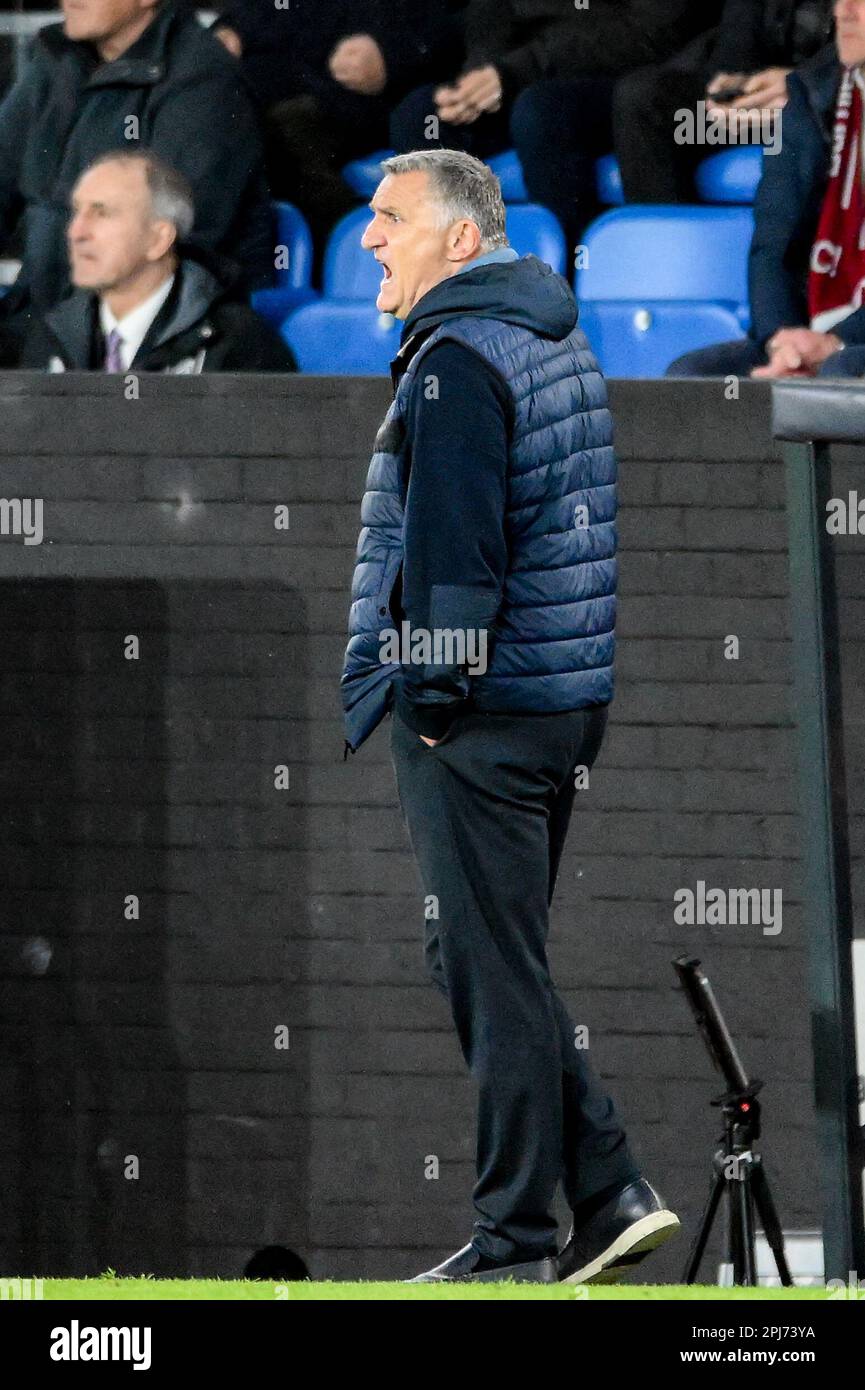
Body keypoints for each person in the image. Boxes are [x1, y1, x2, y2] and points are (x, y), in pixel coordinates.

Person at [340, 148, 680, 1284]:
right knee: (489, 956)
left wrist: (430, 701)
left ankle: (515, 1242)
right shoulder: (546, 333)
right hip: (556, 702)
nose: (368, 239)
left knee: (489, 963)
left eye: (389, 220)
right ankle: (606, 1187)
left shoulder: (453, 363)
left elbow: (453, 561)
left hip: (481, 714)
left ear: (460, 239)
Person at [0, 0, 274, 361]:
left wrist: (65, 337)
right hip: (41, 323)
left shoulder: (204, 81)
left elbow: (170, 244)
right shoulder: (55, 63)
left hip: (159, 339)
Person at [391, 1, 710, 249]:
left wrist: (522, 67)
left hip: (626, 75)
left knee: (542, 113)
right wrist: (481, 73)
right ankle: (455, 289)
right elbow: (490, 13)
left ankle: (567, 289)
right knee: (423, 117)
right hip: (519, 75)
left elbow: (656, 32)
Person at [668, 0, 865, 379]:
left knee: (842, 369)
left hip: (851, 341)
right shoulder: (813, 89)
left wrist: (838, 342)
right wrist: (782, 341)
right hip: (815, 331)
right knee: (692, 374)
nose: (843, 12)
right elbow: (773, 237)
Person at [212, 0, 460, 260]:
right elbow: (261, 15)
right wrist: (232, 31)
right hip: (284, 88)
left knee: (286, 128)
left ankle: (357, 255)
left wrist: (391, 55)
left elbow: (454, 30)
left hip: (378, 101)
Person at [19, 151, 296, 373]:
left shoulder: (238, 345)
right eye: (77, 212)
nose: (76, 231)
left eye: (102, 213)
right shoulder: (53, 335)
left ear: (158, 240)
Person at [614, 0, 835, 204]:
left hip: (835, 103)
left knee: (797, 129)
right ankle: (663, 245)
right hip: (767, 105)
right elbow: (739, 42)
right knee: (644, 99)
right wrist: (735, 88)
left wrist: (809, 83)